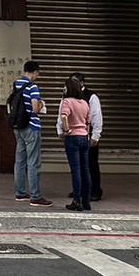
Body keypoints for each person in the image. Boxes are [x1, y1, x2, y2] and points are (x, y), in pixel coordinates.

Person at [10, 60, 52, 207]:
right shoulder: (33, 87)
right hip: (31, 127)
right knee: (33, 162)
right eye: (37, 73)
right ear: (34, 72)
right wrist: (41, 105)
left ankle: (20, 192)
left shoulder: (16, 84)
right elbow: (35, 109)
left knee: (20, 161)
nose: (37, 76)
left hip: (18, 126)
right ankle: (36, 196)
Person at [58, 74, 93, 212]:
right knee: (86, 169)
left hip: (73, 138)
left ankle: (76, 200)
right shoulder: (84, 103)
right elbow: (88, 121)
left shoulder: (67, 101)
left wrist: (66, 130)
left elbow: (64, 116)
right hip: (84, 137)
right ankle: (86, 201)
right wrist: (86, 134)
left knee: (76, 170)